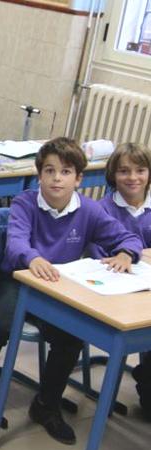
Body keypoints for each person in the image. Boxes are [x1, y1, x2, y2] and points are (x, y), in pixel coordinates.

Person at [0, 137, 143, 444]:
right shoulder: (25, 203)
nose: (57, 178)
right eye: (50, 171)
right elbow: (16, 243)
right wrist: (34, 258)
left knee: (71, 337)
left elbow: (126, 238)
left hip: (58, 290)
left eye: (66, 172)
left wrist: (126, 253)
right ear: (39, 174)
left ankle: (46, 405)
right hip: (18, 281)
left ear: (79, 178)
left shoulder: (89, 211)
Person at [92, 143, 151, 421]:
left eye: (141, 170)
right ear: (112, 175)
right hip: (115, 292)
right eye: (124, 171)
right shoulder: (102, 209)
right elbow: (96, 257)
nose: (133, 178)